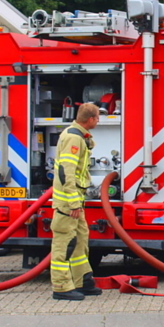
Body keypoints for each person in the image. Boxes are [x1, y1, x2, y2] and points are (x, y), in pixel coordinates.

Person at [49, 103, 103, 301]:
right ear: (90, 119)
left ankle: (82, 281)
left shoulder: (79, 136)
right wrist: (73, 202)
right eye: (97, 118)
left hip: (75, 202)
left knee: (80, 239)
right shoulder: (73, 138)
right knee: (65, 243)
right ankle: (61, 286)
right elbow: (66, 172)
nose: (98, 121)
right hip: (68, 203)